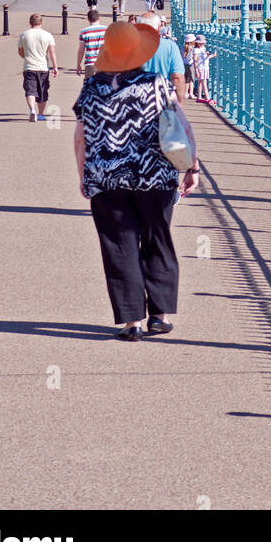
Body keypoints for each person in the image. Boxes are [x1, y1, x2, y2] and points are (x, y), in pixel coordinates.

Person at [73, 21, 199, 340]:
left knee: (119, 246)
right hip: (155, 178)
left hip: (107, 179)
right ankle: (159, 316)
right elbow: (180, 126)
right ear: (141, 53)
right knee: (157, 239)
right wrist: (192, 168)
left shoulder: (92, 87)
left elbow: (80, 138)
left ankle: (132, 323)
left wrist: (84, 175)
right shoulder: (156, 83)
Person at [18, 12, 58, 122]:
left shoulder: (24, 35)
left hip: (29, 66)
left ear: (30, 23)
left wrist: (27, 57)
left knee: (30, 90)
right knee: (42, 92)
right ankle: (40, 114)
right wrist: (55, 67)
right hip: (43, 67)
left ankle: (32, 110)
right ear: (41, 22)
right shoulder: (48, 35)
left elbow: (20, 51)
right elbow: (52, 52)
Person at [139, 9, 186, 103]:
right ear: (159, 28)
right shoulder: (170, 46)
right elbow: (177, 77)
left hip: (134, 102)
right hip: (161, 100)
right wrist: (179, 103)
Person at [76, 8, 107, 77]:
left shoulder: (84, 32)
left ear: (88, 19)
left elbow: (81, 50)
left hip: (90, 63)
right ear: (99, 18)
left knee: (90, 86)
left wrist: (78, 65)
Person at [182, 34, 197, 99]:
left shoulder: (183, 48)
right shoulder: (193, 48)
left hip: (184, 64)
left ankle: (186, 93)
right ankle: (191, 93)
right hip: (191, 65)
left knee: (186, 80)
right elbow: (194, 57)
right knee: (192, 80)